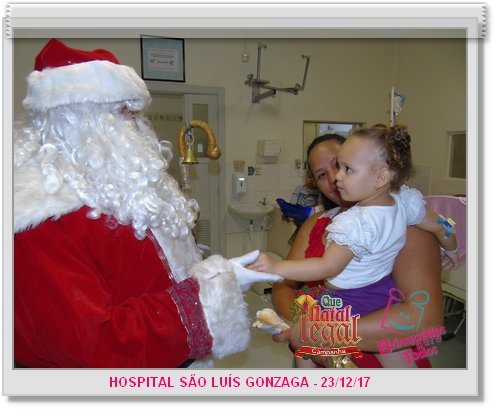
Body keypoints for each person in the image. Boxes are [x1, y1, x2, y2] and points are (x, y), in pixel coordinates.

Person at [13, 39, 281, 368]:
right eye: (124, 112)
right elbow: (93, 346)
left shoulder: (118, 191)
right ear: (77, 119)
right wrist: (208, 297)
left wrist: (214, 278)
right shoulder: (42, 219)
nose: (137, 124)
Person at [269, 129, 448, 368]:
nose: (334, 177)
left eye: (341, 165)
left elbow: (426, 320)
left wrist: (326, 333)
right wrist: (302, 324)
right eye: (321, 174)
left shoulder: (403, 224)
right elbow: (283, 286)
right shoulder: (317, 223)